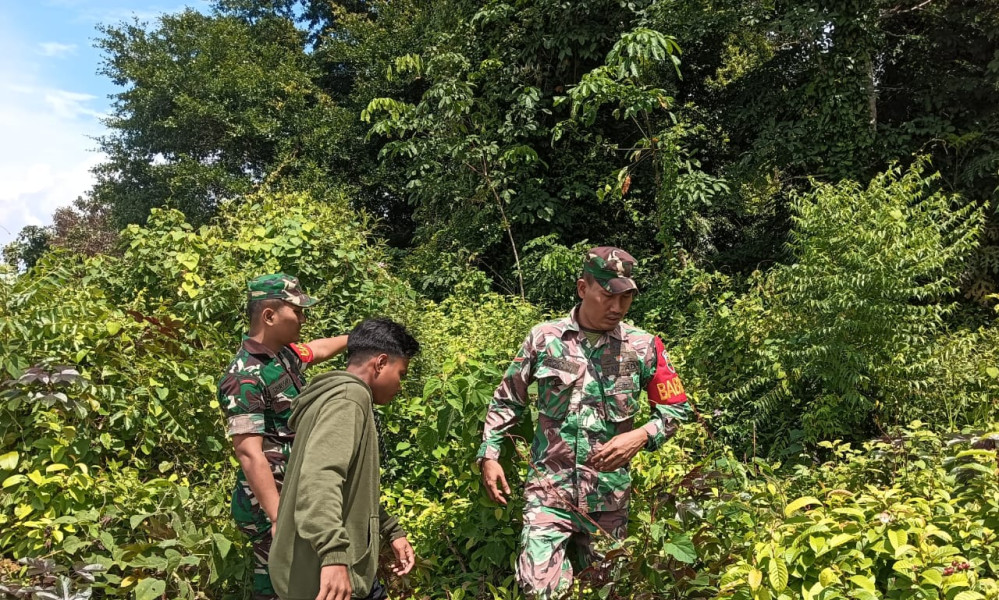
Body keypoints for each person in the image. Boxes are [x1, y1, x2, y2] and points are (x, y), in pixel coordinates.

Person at [477, 247, 692, 599]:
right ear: (582, 288)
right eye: (608, 295)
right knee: (537, 590)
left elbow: (677, 409)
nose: (617, 308)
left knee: (610, 590)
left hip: (608, 498)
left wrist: (642, 435)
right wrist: (490, 454)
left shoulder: (643, 346)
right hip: (550, 491)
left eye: (626, 298)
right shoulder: (544, 339)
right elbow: (507, 397)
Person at [219, 273, 349, 600]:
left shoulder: (284, 354)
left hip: (293, 491)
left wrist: (356, 337)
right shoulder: (243, 376)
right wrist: (277, 516)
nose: (303, 318)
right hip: (268, 501)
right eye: (297, 311)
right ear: (269, 316)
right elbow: (249, 453)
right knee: (279, 584)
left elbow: (317, 350)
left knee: (302, 580)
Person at [269, 318, 420, 600]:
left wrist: (392, 531)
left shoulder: (336, 396)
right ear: (381, 362)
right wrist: (334, 556)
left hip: (327, 570)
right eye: (401, 373)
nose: (401, 385)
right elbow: (319, 479)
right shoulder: (349, 399)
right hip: (324, 578)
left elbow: (354, 489)